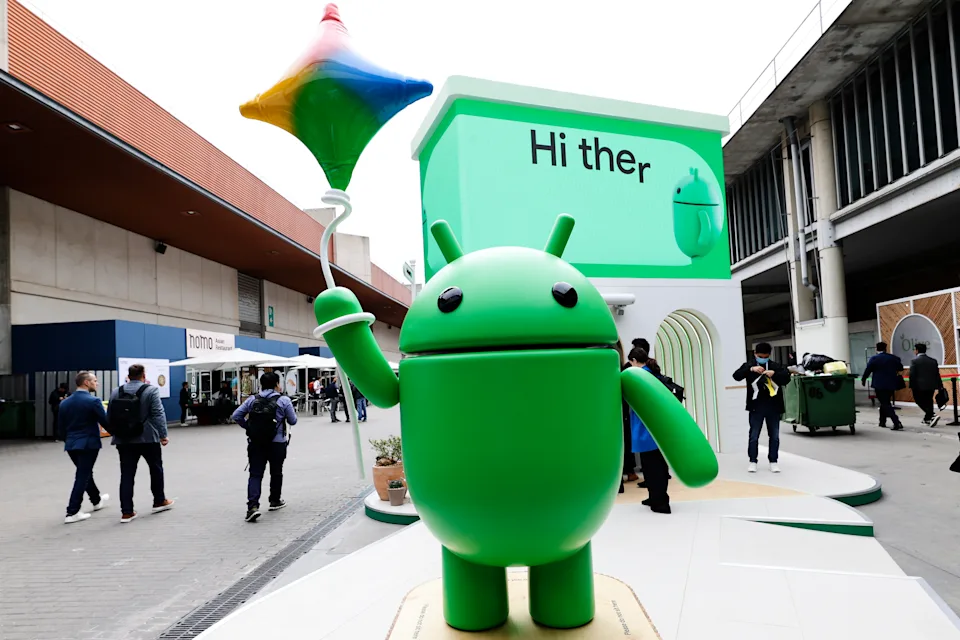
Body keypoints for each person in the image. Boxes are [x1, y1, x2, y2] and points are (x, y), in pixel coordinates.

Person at [109, 364, 174, 523]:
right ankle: (159, 500)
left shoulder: (116, 391)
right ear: (143, 375)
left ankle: (126, 511)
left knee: (127, 473)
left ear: (129, 375)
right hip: (147, 438)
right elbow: (158, 413)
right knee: (155, 468)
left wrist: (115, 432)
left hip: (124, 439)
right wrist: (163, 435)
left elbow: (110, 414)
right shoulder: (150, 390)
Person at [232, 372, 297, 522]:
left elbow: (236, 415)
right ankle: (275, 500)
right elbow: (293, 421)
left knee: (255, 474)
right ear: (276, 384)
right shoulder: (284, 400)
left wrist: (249, 427)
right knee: (276, 472)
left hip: (256, 442)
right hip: (277, 443)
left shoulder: (252, 400)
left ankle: (252, 507)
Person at [58, 372, 110, 523]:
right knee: (82, 475)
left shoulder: (65, 402)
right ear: (86, 383)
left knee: (85, 472)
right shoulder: (93, 401)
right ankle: (72, 511)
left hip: (71, 444)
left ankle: (96, 500)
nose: (97, 383)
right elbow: (105, 422)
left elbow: (61, 426)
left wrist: (67, 439)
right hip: (88, 443)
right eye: (95, 381)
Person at [733, 342, 791, 473]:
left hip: (773, 406)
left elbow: (786, 379)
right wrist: (750, 369)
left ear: (769, 355)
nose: (762, 358)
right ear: (755, 354)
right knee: (754, 435)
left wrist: (774, 373)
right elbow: (736, 376)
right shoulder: (749, 365)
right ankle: (753, 461)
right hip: (756, 406)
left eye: (765, 356)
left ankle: (773, 461)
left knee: (774, 436)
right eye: (760, 356)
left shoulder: (775, 366)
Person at [627, 348, 671, 514]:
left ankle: (660, 502)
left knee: (653, 467)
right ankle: (655, 497)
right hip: (656, 428)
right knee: (656, 465)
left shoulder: (641, 376)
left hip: (648, 429)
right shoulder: (652, 373)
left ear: (634, 360)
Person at [861, 342, 904, 431]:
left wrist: (864, 379)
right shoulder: (893, 358)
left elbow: (868, 370)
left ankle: (896, 422)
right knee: (885, 402)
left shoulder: (874, 359)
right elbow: (900, 368)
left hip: (879, 384)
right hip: (891, 384)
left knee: (885, 403)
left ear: (877, 349)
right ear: (886, 348)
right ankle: (882, 421)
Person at [910, 343, 941, 426]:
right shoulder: (933, 361)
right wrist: (939, 385)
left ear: (917, 350)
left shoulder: (914, 361)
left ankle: (932, 414)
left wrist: (911, 385)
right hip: (931, 385)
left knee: (918, 400)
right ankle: (927, 419)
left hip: (919, 386)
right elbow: (937, 374)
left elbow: (912, 374)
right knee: (929, 400)